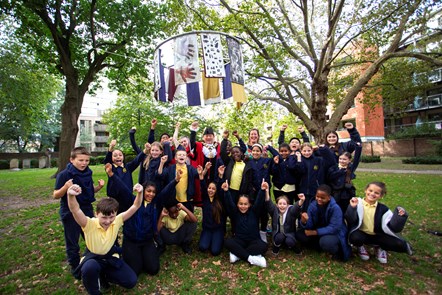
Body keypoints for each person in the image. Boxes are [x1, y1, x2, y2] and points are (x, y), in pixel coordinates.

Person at [104, 163, 180, 276]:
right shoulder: (132, 201)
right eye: (148, 191)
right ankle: (133, 256)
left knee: (153, 269)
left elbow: (165, 192)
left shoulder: (155, 203)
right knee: (135, 271)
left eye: (153, 192)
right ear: (143, 190)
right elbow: (123, 188)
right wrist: (111, 175)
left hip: (147, 240)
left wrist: (175, 181)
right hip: (131, 240)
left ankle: (144, 256)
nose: (151, 194)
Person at [66, 182, 142, 295]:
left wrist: (140, 193)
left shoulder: (117, 220)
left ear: (116, 214)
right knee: (90, 268)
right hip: (93, 258)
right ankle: (94, 290)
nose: (108, 221)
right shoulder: (88, 224)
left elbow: (135, 206)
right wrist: (70, 196)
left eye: (111, 217)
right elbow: (75, 210)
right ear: (96, 214)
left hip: (109, 257)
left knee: (131, 281)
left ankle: (104, 275)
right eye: (104, 217)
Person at [53, 147, 104, 275]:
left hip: (86, 208)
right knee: (72, 242)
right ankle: (76, 268)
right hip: (70, 212)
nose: (84, 163)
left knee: (90, 237)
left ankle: (91, 262)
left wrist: (98, 187)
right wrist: (66, 187)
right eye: (81, 160)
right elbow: (56, 195)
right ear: (71, 160)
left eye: (87, 160)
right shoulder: (64, 175)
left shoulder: (88, 172)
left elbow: (89, 190)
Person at [345, 182, 413, 264]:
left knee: (399, 244)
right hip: (361, 233)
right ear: (365, 190)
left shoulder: (384, 209)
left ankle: (380, 248)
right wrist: (352, 207)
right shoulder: (357, 203)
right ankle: (360, 246)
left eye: (376, 193)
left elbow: (393, 227)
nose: (372, 194)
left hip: (378, 235)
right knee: (355, 238)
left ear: (381, 196)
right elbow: (350, 219)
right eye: (370, 190)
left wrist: (400, 217)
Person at [295, 184, 351, 261]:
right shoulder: (313, 205)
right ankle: (319, 247)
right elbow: (309, 226)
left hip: (333, 233)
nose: (319, 199)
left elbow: (334, 228)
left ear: (329, 197)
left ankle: (336, 251)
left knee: (325, 242)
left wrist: (315, 232)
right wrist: (304, 221)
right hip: (319, 230)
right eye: (317, 196)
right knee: (299, 234)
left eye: (322, 198)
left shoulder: (335, 208)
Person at [223, 179, 269, 268]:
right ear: (237, 204)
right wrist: (226, 191)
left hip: (254, 241)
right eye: (240, 204)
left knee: (264, 246)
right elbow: (229, 203)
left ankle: (238, 255)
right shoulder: (235, 213)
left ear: (249, 205)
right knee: (227, 242)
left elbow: (259, 202)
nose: (243, 206)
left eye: (245, 204)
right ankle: (251, 258)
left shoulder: (254, 212)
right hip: (240, 240)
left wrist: (262, 190)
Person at [104, 139, 148, 210]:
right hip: (115, 198)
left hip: (127, 196)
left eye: (120, 155)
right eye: (115, 155)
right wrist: (111, 148)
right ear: (111, 158)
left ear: (123, 157)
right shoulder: (110, 168)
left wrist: (145, 151)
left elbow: (136, 160)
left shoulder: (127, 167)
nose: (118, 157)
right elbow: (107, 161)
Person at [197, 163, 226, 256]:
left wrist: (220, 175)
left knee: (215, 251)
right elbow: (202, 186)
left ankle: (217, 239)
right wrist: (201, 175)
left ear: (216, 190)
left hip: (218, 229)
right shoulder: (205, 198)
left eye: (213, 189)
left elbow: (221, 188)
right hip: (207, 229)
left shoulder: (220, 199)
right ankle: (208, 239)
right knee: (203, 247)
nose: (211, 190)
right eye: (209, 188)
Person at [158, 146, 199, 212]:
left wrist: (205, 169)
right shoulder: (170, 168)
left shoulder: (190, 168)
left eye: (183, 155)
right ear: (176, 158)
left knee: (187, 218)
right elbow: (161, 175)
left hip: (187, 199)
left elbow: (199, 175)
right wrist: (162, 163)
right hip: (173, 199)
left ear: (186, 158)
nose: (181, 156)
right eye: (179, 155)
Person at [326, 143, 362, 214]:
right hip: (335, 193)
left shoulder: (350, 168)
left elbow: (357, 159)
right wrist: (341, 171)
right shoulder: (334, 167)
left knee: (346, 211)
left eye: (344, 159)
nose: (342, 161)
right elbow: (330, 177)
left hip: (346, 194)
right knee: (335, 211)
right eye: (340, 159)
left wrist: (358, 148)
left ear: (349, 160)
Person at [266, 191, 305, 255]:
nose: (282, 206)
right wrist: (267, 191)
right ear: (277, 205)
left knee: (290, 241)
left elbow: (296, 207)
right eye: (280, 204)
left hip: (289, 234)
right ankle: (276, 247)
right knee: (279, 237)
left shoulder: (291, 211)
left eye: (284, 204)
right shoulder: (274, 211)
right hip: (278, 234)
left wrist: (301, 200)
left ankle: (293, 247)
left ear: (288, 205)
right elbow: (269, 203)